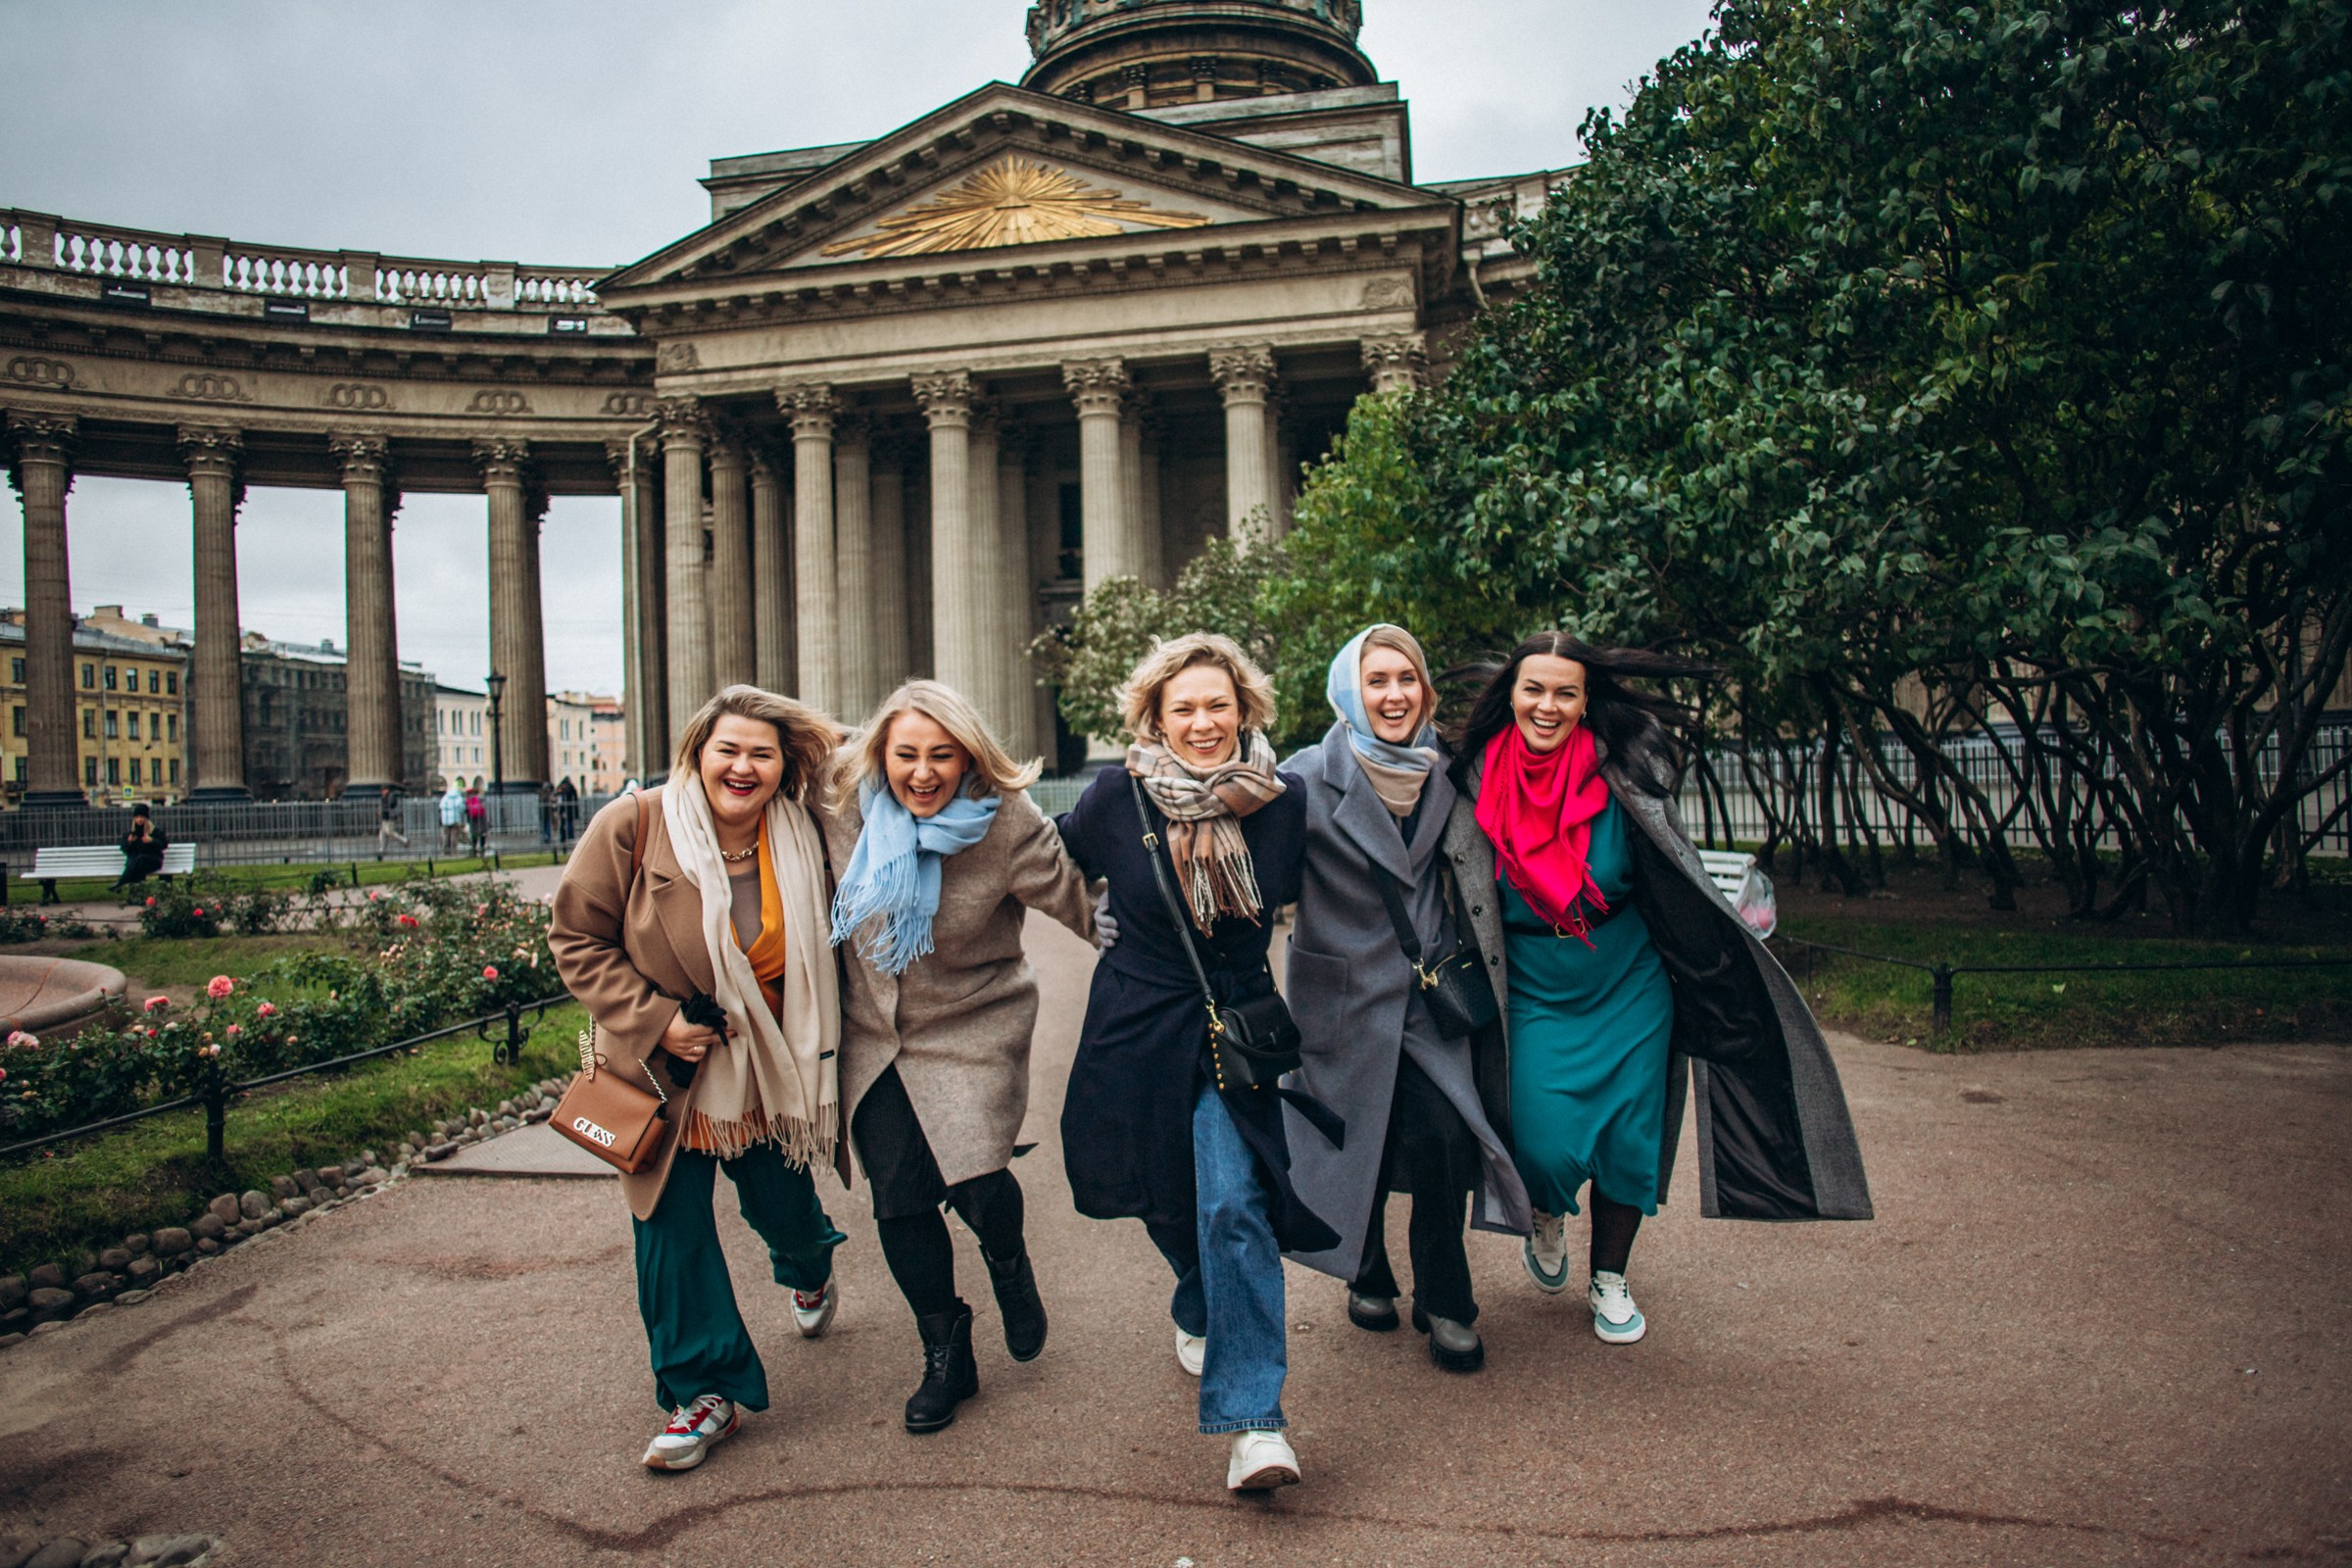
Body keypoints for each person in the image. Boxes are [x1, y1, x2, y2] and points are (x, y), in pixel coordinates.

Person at [1446, 632, 1872, 1347]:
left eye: (1565, 692)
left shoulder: (1623, 773)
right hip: (1532, 984)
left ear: (1587, 702)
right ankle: (1546, 1211)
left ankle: (1610, 1276)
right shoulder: (1470, 778)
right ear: (1510, 696)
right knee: (1543, 1141)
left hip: (1628, 978)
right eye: (1534, 689)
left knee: (1629, 1139)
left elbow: (1672, 870)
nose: (1547, 705)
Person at [1054, 632, 1335, 1494]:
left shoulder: (1282, 805)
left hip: (1234, 1027)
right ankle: (1195, 1294)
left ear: (1244, 709)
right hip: (1133, 1024)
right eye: (1185, 708)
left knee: (1235, 1204)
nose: (1204, 722)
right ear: (1155, 718)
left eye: (1219, 705)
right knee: (1161, 1196)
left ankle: (1255, 1423)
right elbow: (1037, 863)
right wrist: (1082, 918)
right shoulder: (1114, 798)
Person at [548, 685, 851, 1474]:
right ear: (697, 754)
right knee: (669, 1231)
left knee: (783, 1208)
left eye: (761, 752)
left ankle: (810, 1268)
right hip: (662, 1071)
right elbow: (575, 937)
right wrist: (655, 1020)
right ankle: (701, 1393)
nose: (742, 767)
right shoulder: (635, 825)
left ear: (784, 767)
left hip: (769, 1064)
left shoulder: (807, 835)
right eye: (729, 750)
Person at [823, 679, 1102, 1434]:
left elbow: (1086, 904)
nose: (921, 772)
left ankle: (1007, 1259)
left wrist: (1171, 964)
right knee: (900, 1200)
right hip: (872, 1034)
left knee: (978, 1182)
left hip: (974, 1022)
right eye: (905, 754)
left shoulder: (1006, 822)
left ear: (969, 756)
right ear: (879, 753)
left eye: (941, 755)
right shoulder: (839, 811)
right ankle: (946, 1350)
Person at [1280, 626, 1529, 1373]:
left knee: (1447, 1140)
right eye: (1377, 680)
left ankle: (1447, 1298)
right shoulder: (1301, 779)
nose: (1393, 695)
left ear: (1425, 691)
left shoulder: (1449, 770)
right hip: (1341, 996)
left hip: (1428, 996)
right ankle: (1367, 1269)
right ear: (1349, 690)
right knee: (1363, 1139)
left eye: (1407, 680)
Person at [115, 804, 168, 890]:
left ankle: (122, 881)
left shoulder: (154, 832)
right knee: (138, 864)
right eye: (137, 817)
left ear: (146, 818)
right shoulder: (131, 834)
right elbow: (124, 849)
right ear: (134, 818)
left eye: (142, 817)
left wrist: (152, 841)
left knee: (139, 860)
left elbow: (164, 844)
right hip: (137, 863)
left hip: (153, 861)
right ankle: (137, 896)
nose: (139, 820)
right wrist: (130, 842)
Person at [375, 786, 410, 852]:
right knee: (382, 833)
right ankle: (382, 849)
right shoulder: (384, 797)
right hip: (385, 818)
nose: (382, 793)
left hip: (390, 817)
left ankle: (404, 840)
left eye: (383, 791)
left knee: (390, 832)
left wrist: (383, 810)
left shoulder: (391, 796)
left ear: (386, 790)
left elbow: (390, 805)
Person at [438, 781, 466, 854]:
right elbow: (462, 808)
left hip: (445, 819)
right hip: (455, 819)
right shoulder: (458, 798)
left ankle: (444, 850)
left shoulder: (445, 797)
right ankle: (453, 851)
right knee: (454, 835)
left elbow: (441, 806)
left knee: (445, 835)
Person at [464, 785, 487, 855]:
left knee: (474, 833)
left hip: (472, 818)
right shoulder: (480, 798)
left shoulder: (467, 801)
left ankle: (474, 848)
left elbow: (466, 810)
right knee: (482, 832)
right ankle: (482, 847)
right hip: (481, 817)